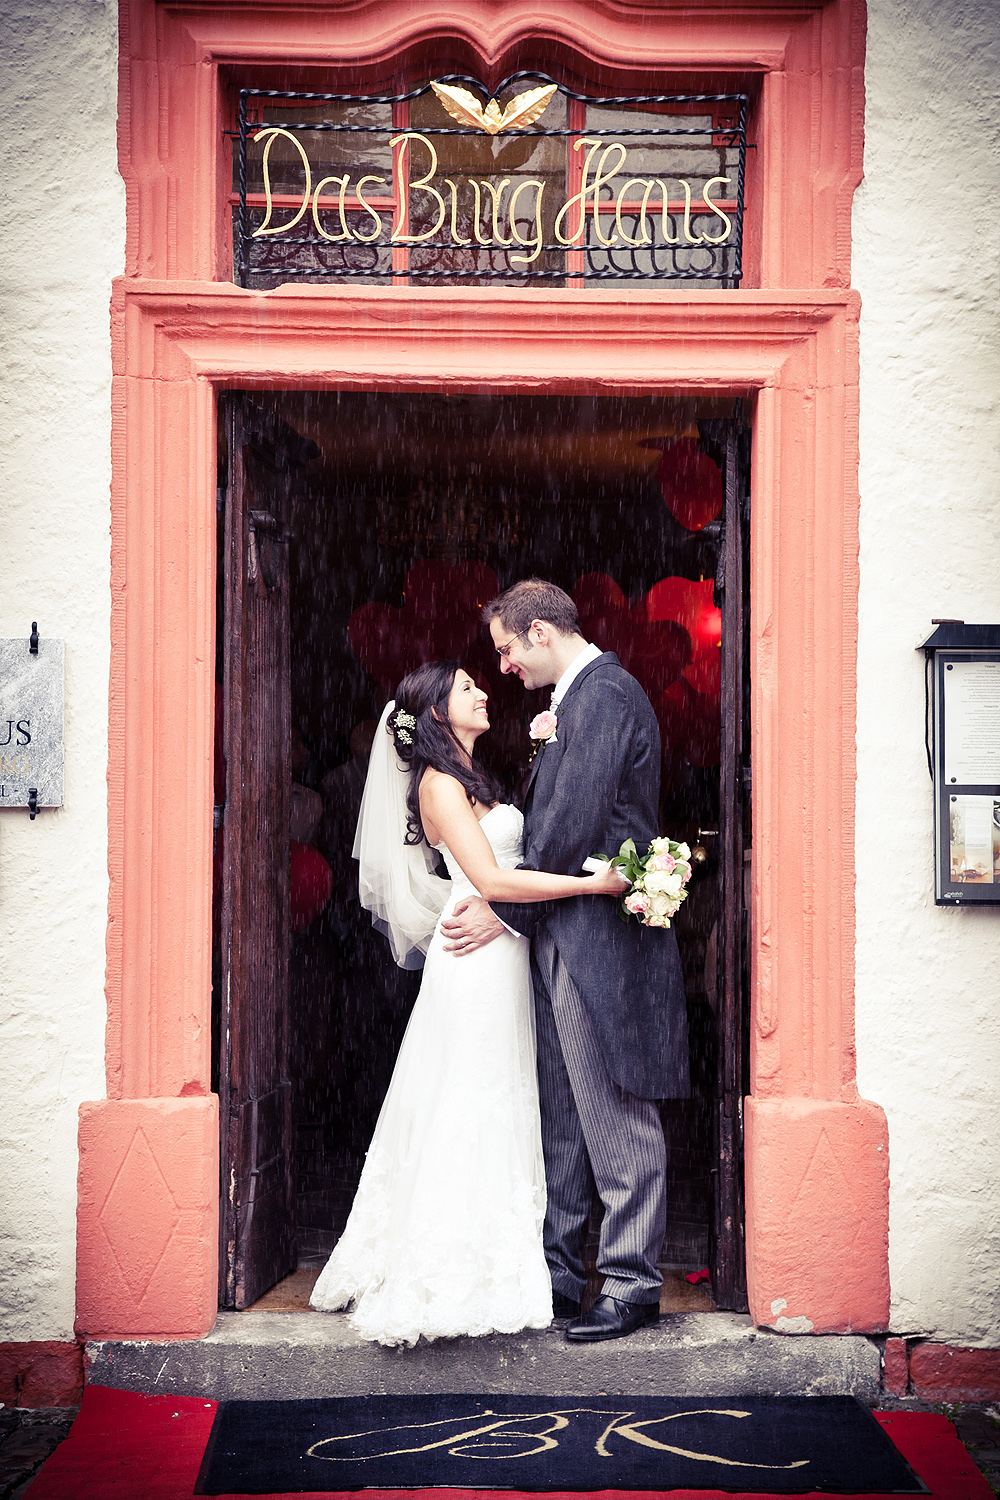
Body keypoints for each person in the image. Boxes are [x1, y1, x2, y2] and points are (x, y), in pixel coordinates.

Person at [309, 659, 624, 1346]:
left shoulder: (479, 776)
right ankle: (454, 1269)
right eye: (466, 687)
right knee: (473, 1098)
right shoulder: (440, 785)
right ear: (436, 714)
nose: (484, 692)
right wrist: (597, 888)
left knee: (505, 1096)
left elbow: (509, 871)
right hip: (476, 961)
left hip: (503, 948)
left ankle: (512, 1256)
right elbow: (488, 879)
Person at [441, 578, 690, 1344]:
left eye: (508, 649)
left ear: (541, 631)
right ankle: (559, 1273)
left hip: (597, 941)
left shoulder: (604, 696)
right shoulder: (575, 703)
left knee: (614, 1110)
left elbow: (572, 825)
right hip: (562, 933)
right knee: (562, 1117)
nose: (506, 667)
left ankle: (630, 1283)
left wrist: (500, 902)